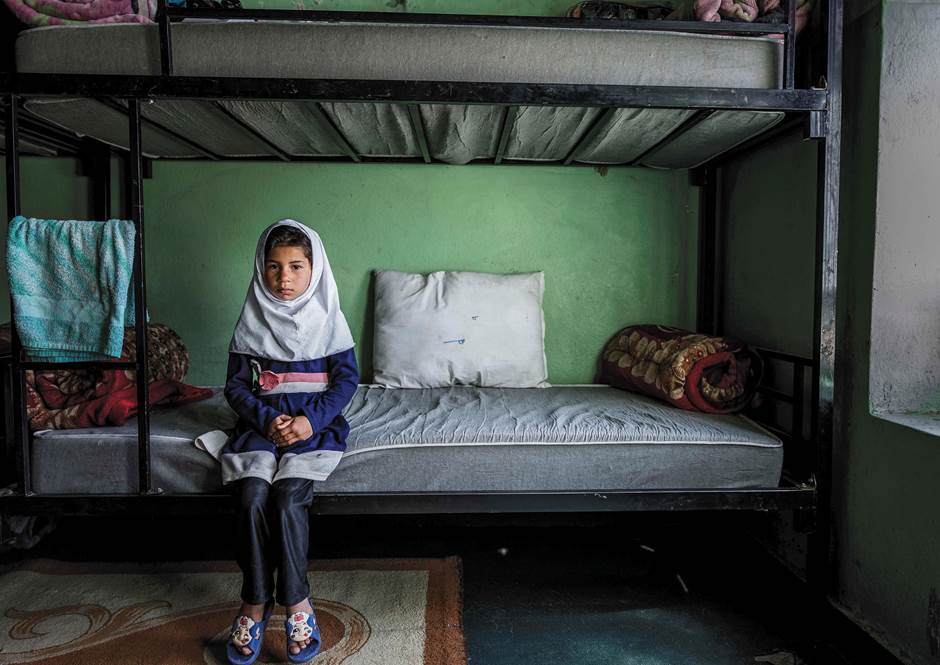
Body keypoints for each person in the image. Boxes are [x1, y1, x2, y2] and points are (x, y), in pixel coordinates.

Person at [220, 219, 359, 665]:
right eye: (275, 267)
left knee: (286, 498)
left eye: (296, 267)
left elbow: (345, 382)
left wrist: (308, 422)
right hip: (259, 428)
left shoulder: (329, 321)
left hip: (312, 429)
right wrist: (267, 418)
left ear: (314, 270)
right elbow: (237, 388)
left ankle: (297, 602)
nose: (284, 278)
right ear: (261, 269)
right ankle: (254, 602)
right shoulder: (251, 320)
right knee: (253, 494)